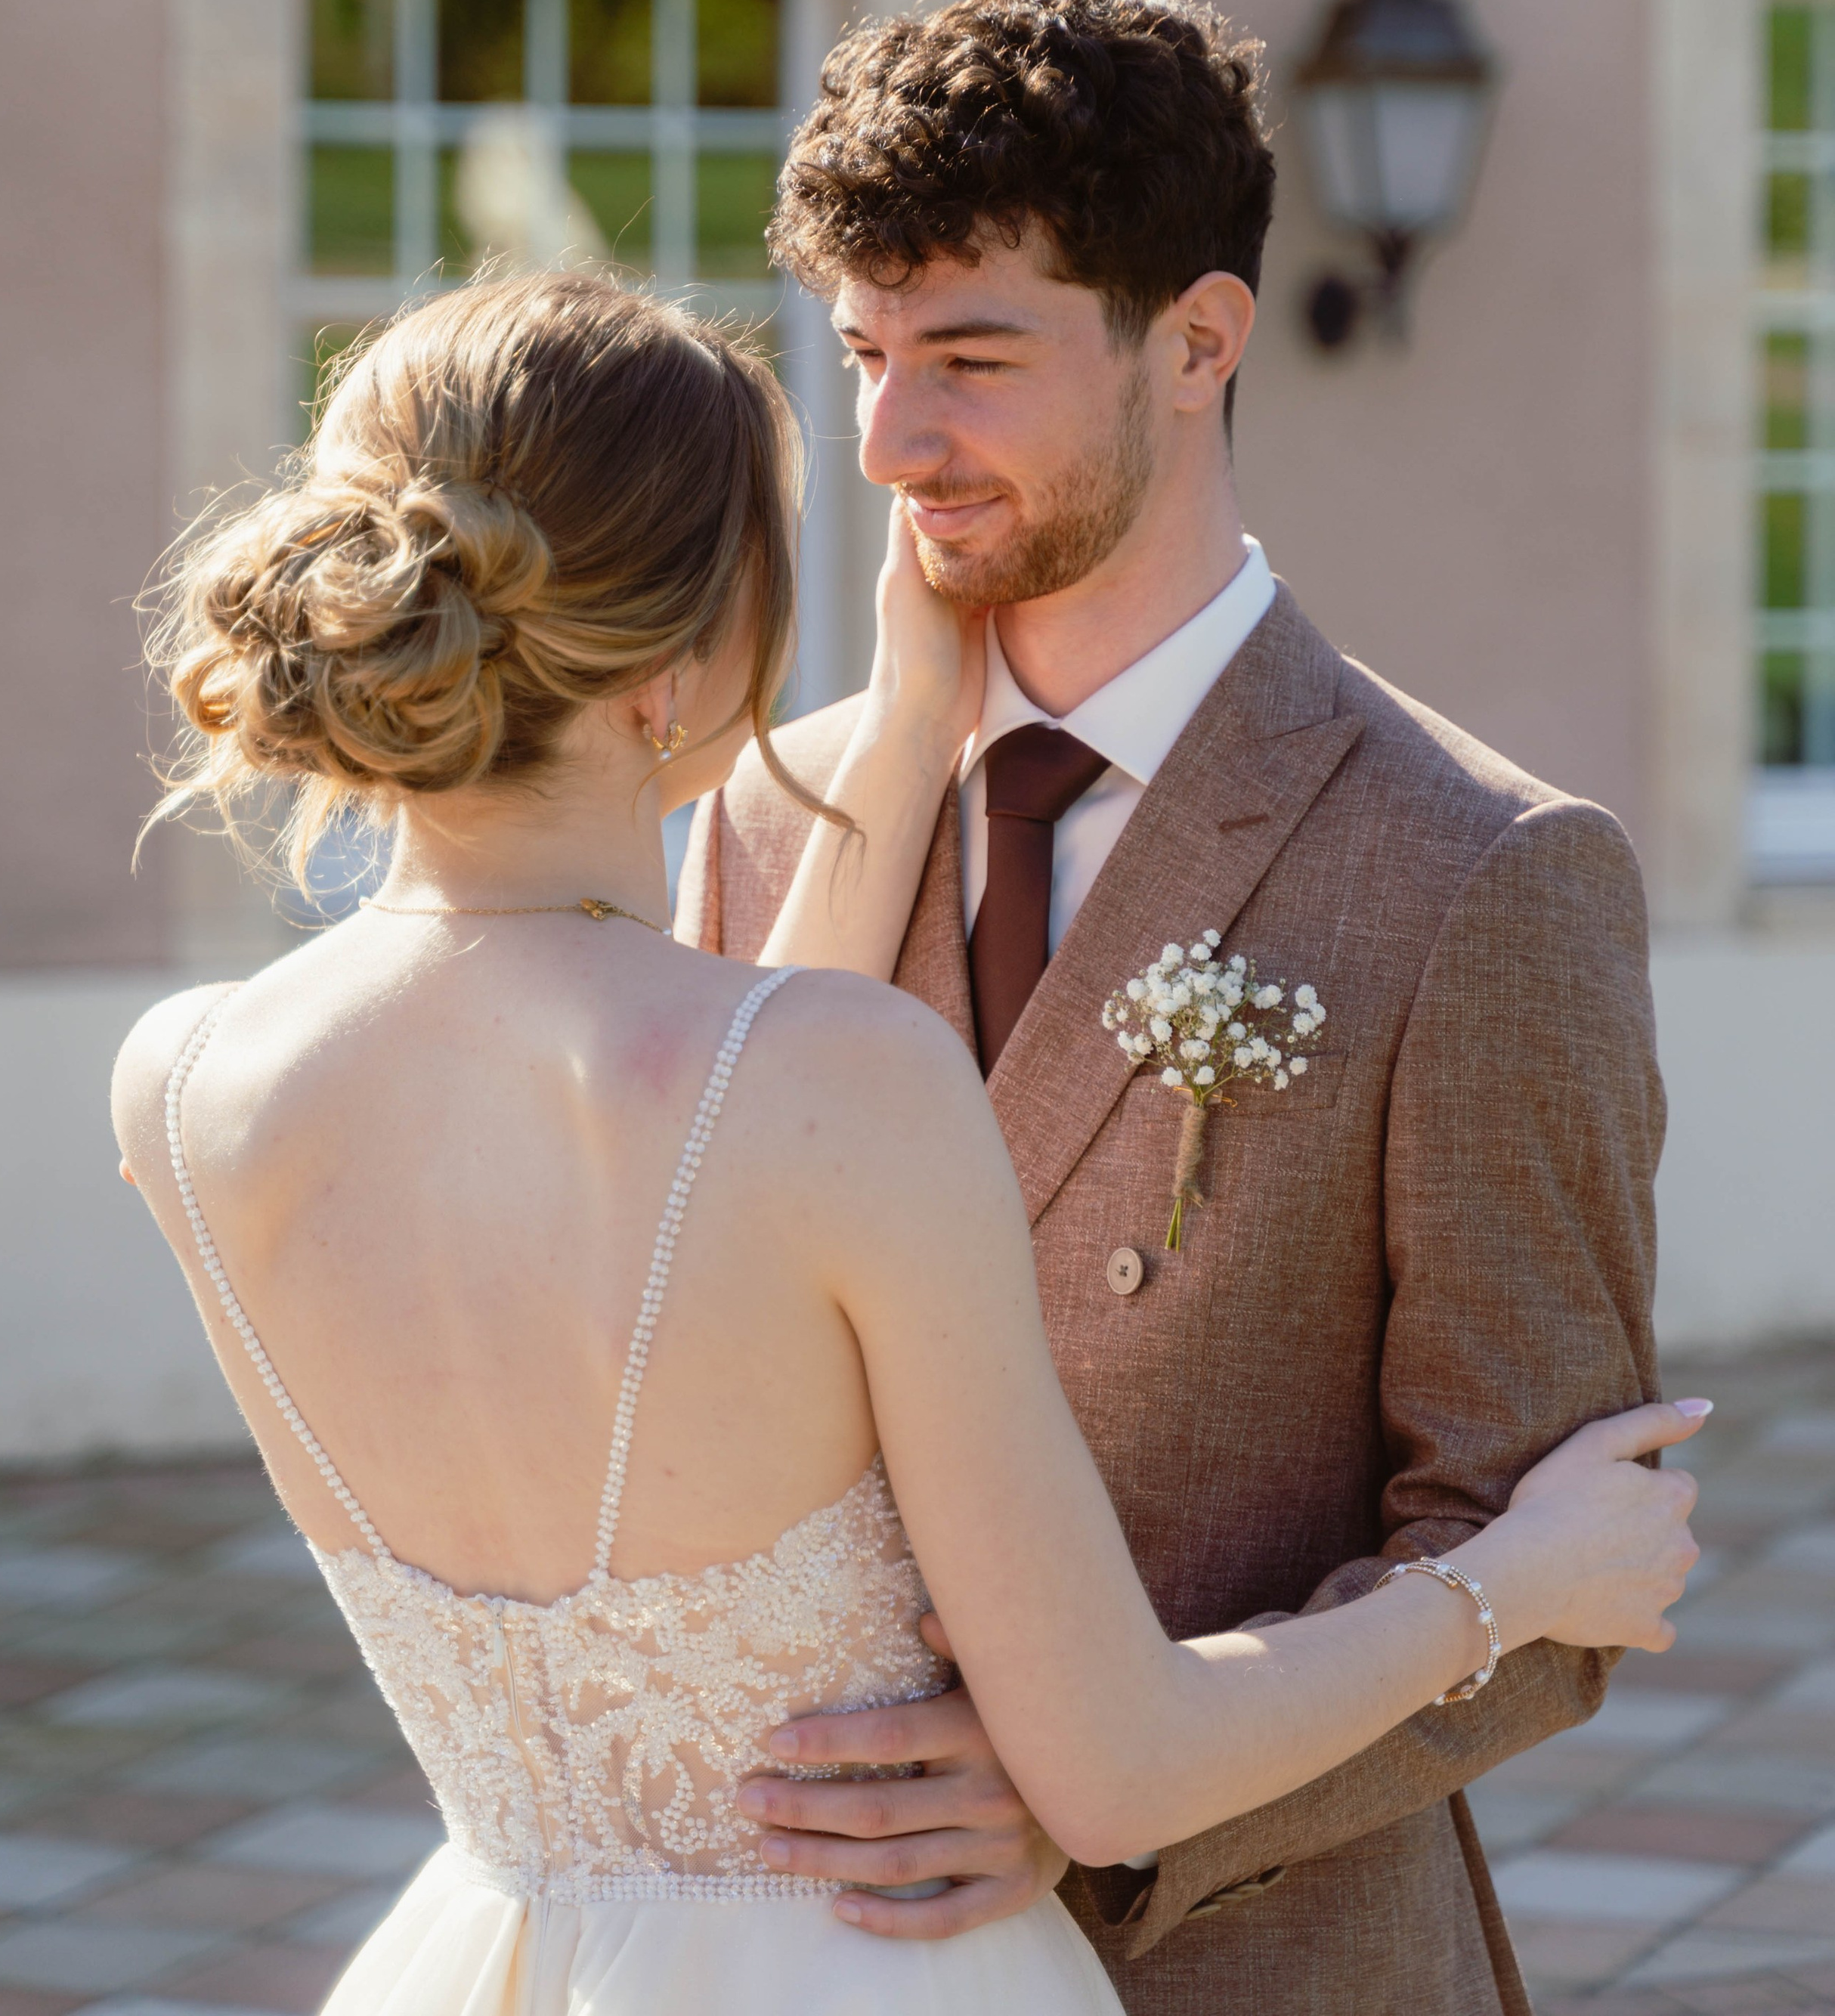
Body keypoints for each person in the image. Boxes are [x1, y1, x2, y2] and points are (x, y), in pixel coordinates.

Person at [114, 269, 1700, 2016]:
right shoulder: (831, 1082)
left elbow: (699, 1178)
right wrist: (1505, 1582)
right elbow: (1114, 1771)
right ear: (687, 665)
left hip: (501, 1951)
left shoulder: (183, 1086)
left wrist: (899, 724)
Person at [678, 0, 1676, 2016]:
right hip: (799, 1951)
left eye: (969, 355)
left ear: (1199, 342)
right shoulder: (770, 822)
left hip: (1265, 1958)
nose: (889, 438)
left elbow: (1548, 1569)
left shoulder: (1486, 874)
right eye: (864, 353)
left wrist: (1100, 1790)